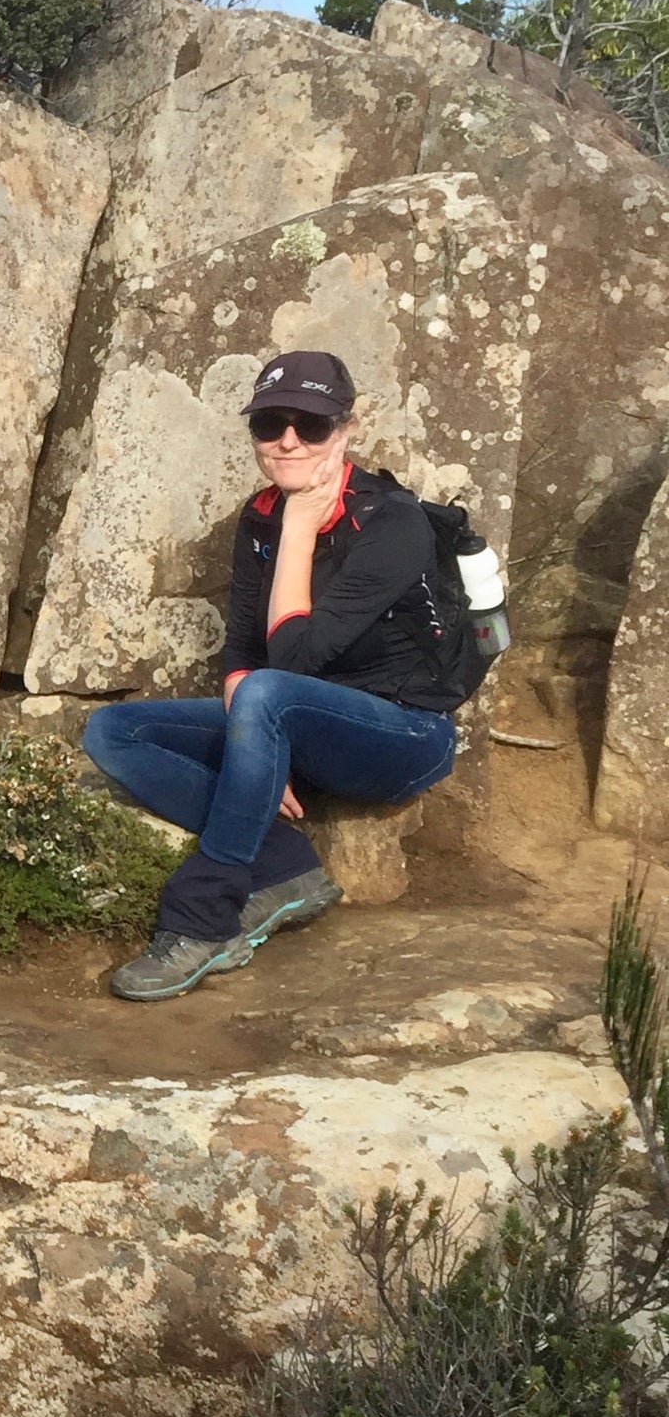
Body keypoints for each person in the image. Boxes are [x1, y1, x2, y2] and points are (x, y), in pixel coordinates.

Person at [83, 350, 465, 1003]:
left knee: (266, 694)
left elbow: (288, 661)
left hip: (401, 733)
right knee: (114, 730)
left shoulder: (391, 523)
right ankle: (285, 869)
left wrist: (296, 528)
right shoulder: (257, 517)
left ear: (344, 432)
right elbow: (240, 651)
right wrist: (256, 742)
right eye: (270, 424)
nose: (289, 440)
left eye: (311, 426)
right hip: (292, 713)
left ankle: (201, 916)